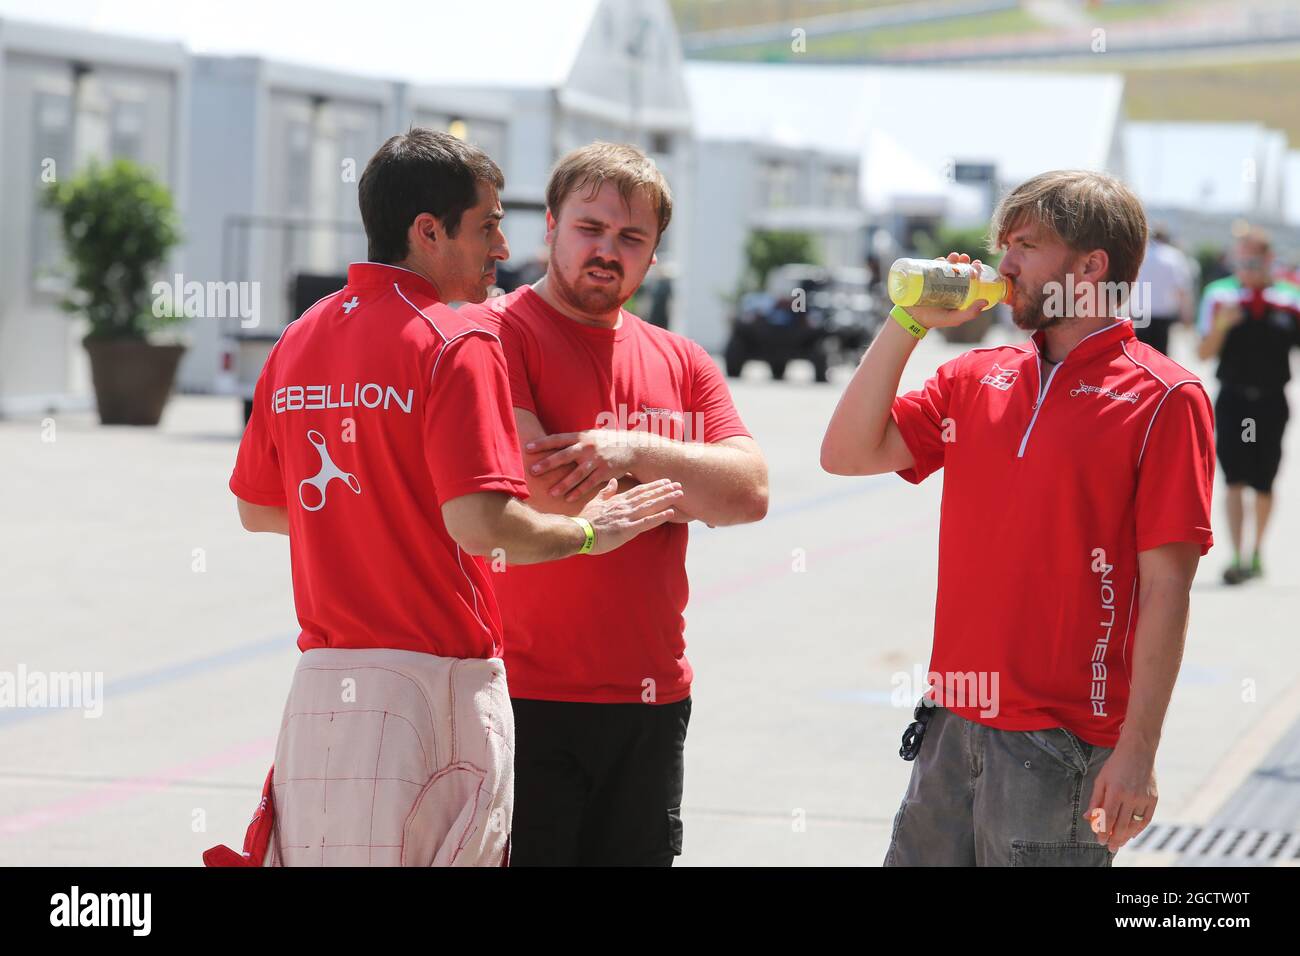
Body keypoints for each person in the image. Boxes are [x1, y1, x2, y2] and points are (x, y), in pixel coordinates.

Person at [217, 129, 682, 867]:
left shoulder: (297, 340)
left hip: (321, 693)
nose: (503, 246)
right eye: (489, 224)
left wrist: (373, 523)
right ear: (427, 232)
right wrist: (591, 533)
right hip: (433, 689)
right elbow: (482, 527)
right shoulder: (456, 342)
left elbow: (257, 507)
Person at [822, 170, 1215, 866]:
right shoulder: (975, 375)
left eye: (1026, 245)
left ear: (1090, 266)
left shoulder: (1165, 397)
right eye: (1003, 244)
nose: (1003, 265)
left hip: (1063, 746)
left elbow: (1166, 590)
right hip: (951, 722)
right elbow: (846, 453)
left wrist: (1138, 752)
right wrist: (908, 321)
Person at [462, 142, 769, 866]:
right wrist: (689, 488)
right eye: (589, 228)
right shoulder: (494, 335)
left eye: (631, 238)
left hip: (651, 701)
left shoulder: (684, 360)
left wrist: (629, 450)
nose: (608, 250)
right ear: (550, 227)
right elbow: (542, 487)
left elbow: (749, 493)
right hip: (520, 696)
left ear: (654, 253)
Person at [1196, 227, 1300, 584]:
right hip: (1234, 401)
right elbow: (1203, 353)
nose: (1247, 267)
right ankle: (1238, 555)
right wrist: (1222, 327)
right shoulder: (1219, 297)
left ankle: (1257, 550)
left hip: (1271, 402)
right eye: (1241, 260)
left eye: (1254, 260)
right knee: (1235, 478)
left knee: (1264, 481)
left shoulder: (1289, 299)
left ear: (1270, 260)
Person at [1132, 225, 1194, 355]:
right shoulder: (1174, 257)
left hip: (1141, 313)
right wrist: (1186, 315)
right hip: (1163, 316)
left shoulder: (1141, 254)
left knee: (1140, 355)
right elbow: (1182, 289)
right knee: (1160, 357)